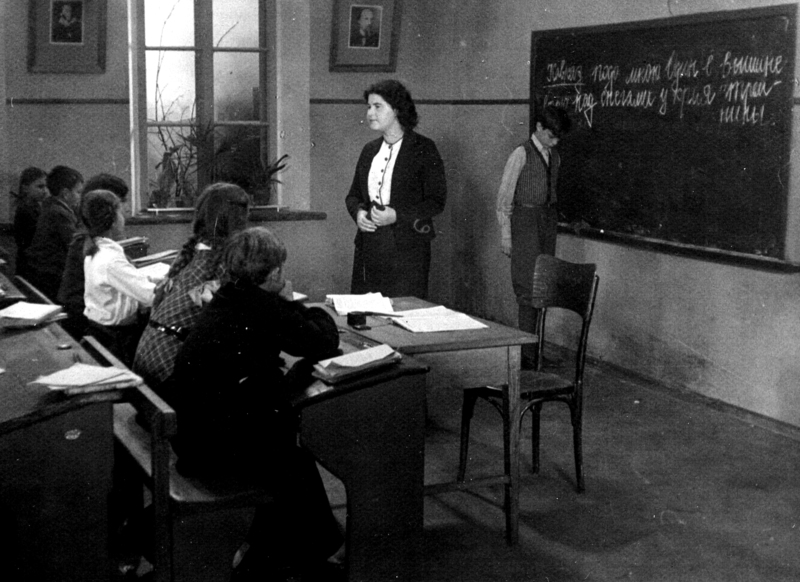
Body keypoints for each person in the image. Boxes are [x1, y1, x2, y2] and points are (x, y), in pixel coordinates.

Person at [162, 226, 344, 580]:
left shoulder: (228, 296)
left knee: (284, 449)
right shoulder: (263, 305)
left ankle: (277, 549)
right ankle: (308, 555)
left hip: (192, 430)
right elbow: (322, 341)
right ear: (273, 273)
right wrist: (295, 303)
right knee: (293, 460)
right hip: (209, 446)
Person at [133, 182, 250, 393]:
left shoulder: (196, 253)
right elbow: (221, 311)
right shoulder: (221, 261)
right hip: (167, 369)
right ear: (237, 218)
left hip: (148, 358)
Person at [345, 79, 447, 299]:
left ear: (397, 109)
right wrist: (359, 213)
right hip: (369, 245)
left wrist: (397, 215)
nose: (370, 113)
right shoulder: (369, 150)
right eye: (369, 107)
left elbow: (436, 201)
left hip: (409, 249)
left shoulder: (424, 148)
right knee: (367, 309)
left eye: (377, 106)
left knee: (403, 310)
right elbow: (353, 196)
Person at [496, 105, 571, 369]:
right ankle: (526, 355)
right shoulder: (521, 154)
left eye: (558, 138)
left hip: (546, 221)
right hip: (525, 222)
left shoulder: (554, 156)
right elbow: (504, 199)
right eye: (551, 136)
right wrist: (506, 236)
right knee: (527, 289)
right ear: (539, 127)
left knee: (542, 287)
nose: (555, 142)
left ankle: (535, 349)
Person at [81, 190, 156, 368]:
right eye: (120, 212)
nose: (123, 218)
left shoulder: (96, 250)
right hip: (118, 339)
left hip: (100, 331)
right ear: (113, 220)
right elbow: (150, 296)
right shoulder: (111, 259)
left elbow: (128, 281)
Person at [58, 173, 130, 339]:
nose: (125, 209)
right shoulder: (88, 243)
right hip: (85, 322)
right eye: (121, 203)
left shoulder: (90, 237)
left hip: (89, 316)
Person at [23, 165, 84, 300]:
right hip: (50, 277)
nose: (80, 197)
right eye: (78, 192)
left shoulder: (52, 206)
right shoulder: (58, 212)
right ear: (65, 193)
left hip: (43, 273)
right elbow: (75, 244)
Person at [12, 167, 48, 279]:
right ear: (25, 188)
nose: (45, 191)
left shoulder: (36, 207)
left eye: (46, 187)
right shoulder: (25, 210)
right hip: (29, 264)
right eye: (40, 187)